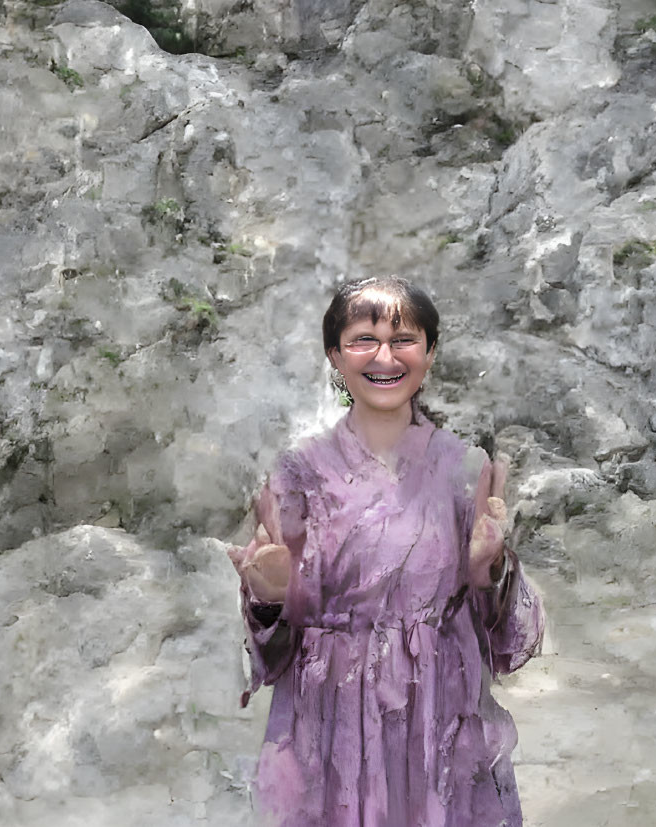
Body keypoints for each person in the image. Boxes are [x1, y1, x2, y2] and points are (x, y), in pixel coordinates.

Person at [227, 276, 544, 827]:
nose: (384, 356)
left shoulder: (464, 467)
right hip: (331, 719)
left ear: (430, 352)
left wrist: (489, 572)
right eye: (362, 339)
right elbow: (271, 649)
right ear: (334, 355)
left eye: (404, 339)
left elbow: (506, 642)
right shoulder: (299, 472)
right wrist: (270, 597)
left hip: (439, 711)